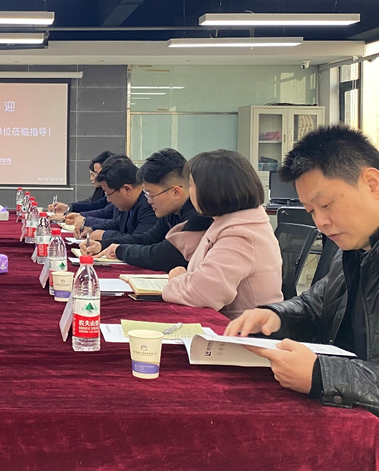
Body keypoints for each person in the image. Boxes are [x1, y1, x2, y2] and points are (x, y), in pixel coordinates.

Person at [225, 125, 379, 414]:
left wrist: (321, 375)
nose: (320, 222)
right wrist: (274, 317)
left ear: (372, 184)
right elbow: (315, 307)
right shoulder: (354, 250)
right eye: (311, 211)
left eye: (326, 204)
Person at [161, 150, 283, 319]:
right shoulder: (234, 222)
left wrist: (177, 280)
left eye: (191, 185)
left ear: (210, 190)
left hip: (245, 330)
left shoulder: (241, 234)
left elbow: (202, 294)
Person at [81, 149, 212, 272]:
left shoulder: (199, 215)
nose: (149, 201)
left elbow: (164, 256)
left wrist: (120, 250)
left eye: (151, 195)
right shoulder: (173, 211)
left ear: (176, 192)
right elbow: (147, 239)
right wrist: (103, 245)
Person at [72, 156, 157, 240]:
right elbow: (118, 223)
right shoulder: (130, 202)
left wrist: (104, 235)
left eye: (109, 194)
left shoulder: (150, 204)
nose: (108, 200)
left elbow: (139, 240)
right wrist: (91, 229)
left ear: (127, 189)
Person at [49, 151, 113, 221]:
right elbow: (93, 204)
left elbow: (105, 214)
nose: (93, 178)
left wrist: (67, 217)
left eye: (95, 174)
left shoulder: (114, 190)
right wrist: (68, 208)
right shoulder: (102, 190)